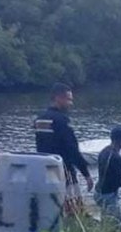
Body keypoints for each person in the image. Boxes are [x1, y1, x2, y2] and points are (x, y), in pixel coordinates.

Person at [34, 82, 93, 215]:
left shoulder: (39, 120)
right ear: (58, 98)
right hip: (64, 171)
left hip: (45, 170)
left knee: (50, 209)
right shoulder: (61, 120)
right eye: (68, 99)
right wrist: (86, 174)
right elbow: (72, 149)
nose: (70, 103)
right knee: (73, 211)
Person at [94, 126, 121, 221]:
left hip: (98, 191)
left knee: (105, 218)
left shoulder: (104, 151)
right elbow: (118, 182)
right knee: (116, 221)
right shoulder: (117, 158)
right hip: (108, 195)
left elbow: (108, 174)